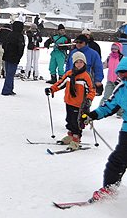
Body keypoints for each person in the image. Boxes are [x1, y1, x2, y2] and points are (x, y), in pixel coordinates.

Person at [82, 56, 127, 201]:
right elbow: (109, 106)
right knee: (118, 161)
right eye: (119, 73)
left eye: (123, 73)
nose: (121, 76)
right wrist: (92, 115)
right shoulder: (121, 89)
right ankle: (109, 189)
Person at [45, 51, 95, 150]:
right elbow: (60, 83)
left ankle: (76, 139)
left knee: (77, 122)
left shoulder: (86, 76)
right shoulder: (69, 74)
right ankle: (70, 135)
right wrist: (51, 89)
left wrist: (88, 100)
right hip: (69, 101)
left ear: (84, 63)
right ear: (74, 63)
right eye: (77, 62)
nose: (79, 64)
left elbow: (91, 90)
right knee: (69, 120)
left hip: (80, 104)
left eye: (81, 62)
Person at [1, 20, 25, 95]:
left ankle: (9, 88)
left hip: (6, 56)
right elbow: (21, 48)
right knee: (10, 74)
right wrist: (19, 57)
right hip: (14, 57)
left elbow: (4, 45)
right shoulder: (20, 36)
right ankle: (7, 90)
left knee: (8, 73)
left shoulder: (9, 34)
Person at [102, 42, 124, 117]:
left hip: (119, 82)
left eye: (116, 48)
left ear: (119, 49)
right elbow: (104, 65)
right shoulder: (109, 57)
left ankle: (120, 112)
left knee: (119, 97)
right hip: (110, 81)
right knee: (106, 96)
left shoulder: (122, 58)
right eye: (113, 48)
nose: (114, 50)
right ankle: (101, 109)